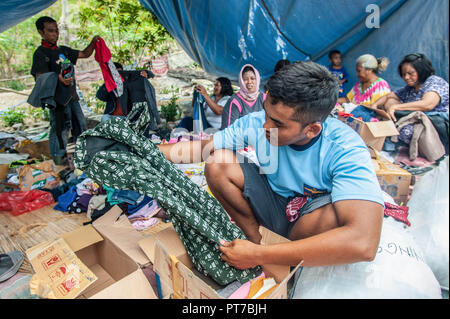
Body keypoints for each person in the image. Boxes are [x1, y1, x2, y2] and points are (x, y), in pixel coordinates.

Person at [158, 61, 384, 270]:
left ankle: (265, 254)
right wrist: (144, 149)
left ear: (311, 129)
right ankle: (255, 240)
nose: (265, 125)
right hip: (273, 204)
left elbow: (363, 243)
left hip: (308, 218)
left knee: (337, 217)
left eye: (277, 123)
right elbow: (202, 149)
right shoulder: (258, 123)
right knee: (218, 162)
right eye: (266, 113)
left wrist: (259, 256)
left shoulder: (345, 147)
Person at [30, 16, 99, 165]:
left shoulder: (64, 51)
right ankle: (59, 162)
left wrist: (93, 42)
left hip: (72, 97)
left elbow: (85, 54)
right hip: (57, 102)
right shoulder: (41, 54)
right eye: (50, 31)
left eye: (56, 30)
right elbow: (40, 78)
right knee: (60, 129)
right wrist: (58, 78)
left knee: (80, 125)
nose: (55, 34)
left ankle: (84, 158)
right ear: (41, 32)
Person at [370, 53, 449, 148]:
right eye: (403, 74)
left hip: (438, 127)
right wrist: (374, 106)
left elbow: (428, 105)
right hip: (418, 123)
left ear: (421, 71)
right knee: (390, 101)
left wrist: (395, 107)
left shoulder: (435, 81)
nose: (406, 77)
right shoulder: (411, 88)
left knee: (403, 130)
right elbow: (388, 96)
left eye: (411, 73)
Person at [337, 54, 391, 120]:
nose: (357, 74)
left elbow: (376, 108)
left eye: (359, 71)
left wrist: (355, 106)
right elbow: (348, 99)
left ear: (369, 70)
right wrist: (334, 101)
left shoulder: (381, 86)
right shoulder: (358, 85)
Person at [220, 64, 266, 129]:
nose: (249, 82)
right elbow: (228, 129)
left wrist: (274, 139)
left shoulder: (265, 99)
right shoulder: (234, 101)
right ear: (241, 81)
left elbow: (273, 124)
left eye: (252, 78)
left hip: (263, 138)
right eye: (245, 79)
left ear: (257, 79)